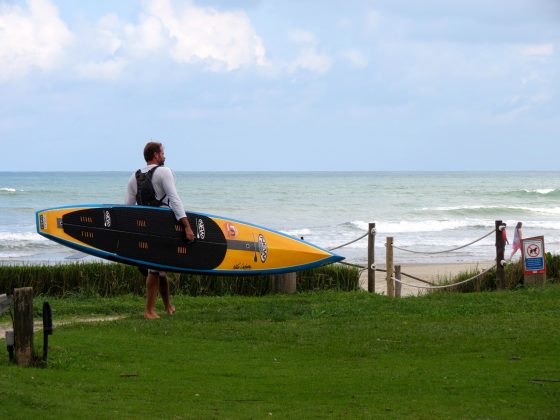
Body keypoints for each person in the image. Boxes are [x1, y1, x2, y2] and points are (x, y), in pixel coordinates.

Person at [125, 141, 195, 319]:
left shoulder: (134, 177)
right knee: (154, 270)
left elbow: (128, 209)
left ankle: (168, 307)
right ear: (156, 155)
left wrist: (131, 234)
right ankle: (149, 311)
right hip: (163, 226)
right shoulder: (164, 172)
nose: (164, 155)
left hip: (144, 228)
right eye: (163, 152)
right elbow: (174, 199)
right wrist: (187, 226)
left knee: (160, 270)